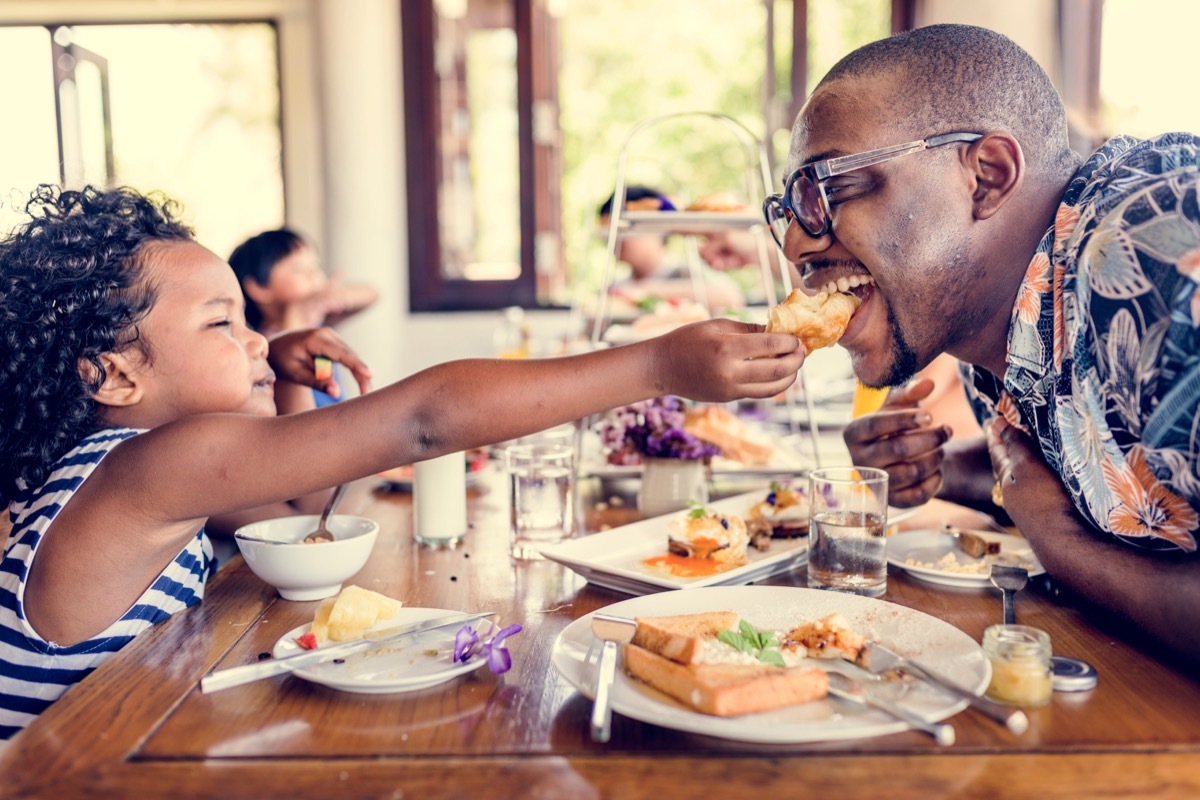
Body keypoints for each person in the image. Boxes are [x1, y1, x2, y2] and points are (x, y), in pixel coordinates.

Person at [0, 184, 805, 737]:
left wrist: (279, 379)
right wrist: (655, 366)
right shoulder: (153, 468)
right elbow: (422, 421)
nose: (256, 338)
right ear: (112, 373)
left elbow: (299, 517)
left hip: (118, 733)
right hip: (60, 767)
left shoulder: (125, 468)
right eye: (222, 325)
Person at [768, 23, 1200, 667]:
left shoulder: (1150, 259)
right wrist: (961, 471)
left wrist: (1055, 538)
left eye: (830, 187)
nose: (796, 243)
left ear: (988, 176)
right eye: (788, 207)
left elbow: (1052, 516)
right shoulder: (998, 326)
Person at [598, 185, 746, 314]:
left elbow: (732, 298)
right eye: (608, 234)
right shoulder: (616, 287)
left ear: (657, 226)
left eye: (624, 230)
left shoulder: (687, 271)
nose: (616, 240)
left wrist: (647, 291)